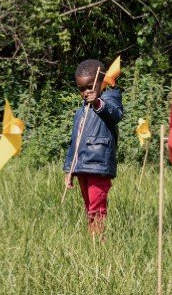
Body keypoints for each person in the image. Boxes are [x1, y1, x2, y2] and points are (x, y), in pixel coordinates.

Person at [63, 59, 123, 238]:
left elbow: (115, 114)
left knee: (96, 208)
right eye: (81, 89)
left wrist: (98, 103)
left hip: (99, 165)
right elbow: (75, 142)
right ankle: (95, 239)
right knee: (89, 207)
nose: (86, 92)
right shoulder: (81, 112)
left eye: (90, 87)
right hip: (82, 166)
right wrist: (69, 169)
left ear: (102, 81)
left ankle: (98, 243)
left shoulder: (110, 99)